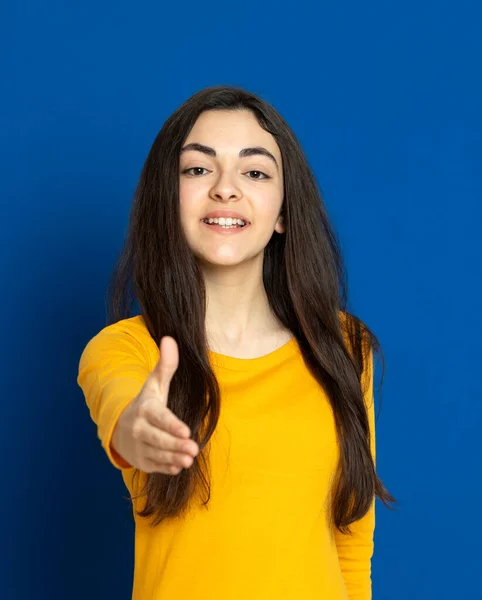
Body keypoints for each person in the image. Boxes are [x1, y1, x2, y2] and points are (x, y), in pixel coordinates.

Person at [77, 85, 396, 600]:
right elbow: (123, 414)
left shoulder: (343, 345)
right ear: (167, 199)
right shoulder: (125, 350)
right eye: (198, 169)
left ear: (284, 212)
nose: (226, 189)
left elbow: (351, 541)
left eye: (255, 171)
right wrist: (138, 432)